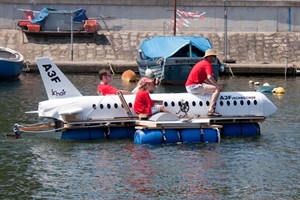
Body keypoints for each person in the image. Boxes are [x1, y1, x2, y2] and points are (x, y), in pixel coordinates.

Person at [185, 49, 223, 117]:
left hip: (190, 86)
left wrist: (214, 85)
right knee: (217, 90)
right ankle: (211, 110)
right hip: (194, 86)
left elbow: (205, 79)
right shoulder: (207, 64)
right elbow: (209, 77)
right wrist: (217, 86)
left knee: (215, 87)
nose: (215, 58)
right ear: (209, 57)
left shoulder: (202, 63)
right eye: (214, 56)